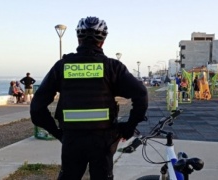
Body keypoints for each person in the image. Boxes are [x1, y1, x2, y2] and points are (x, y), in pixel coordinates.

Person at [30, 16, 148, 180]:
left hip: (72, 138)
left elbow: (36, 109)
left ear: (78, 38)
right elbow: (141, 94)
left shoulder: (62, 67)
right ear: (103, 41)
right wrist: (129, 126)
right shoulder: (113, 67)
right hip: (103, 140)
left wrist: (58, 133)